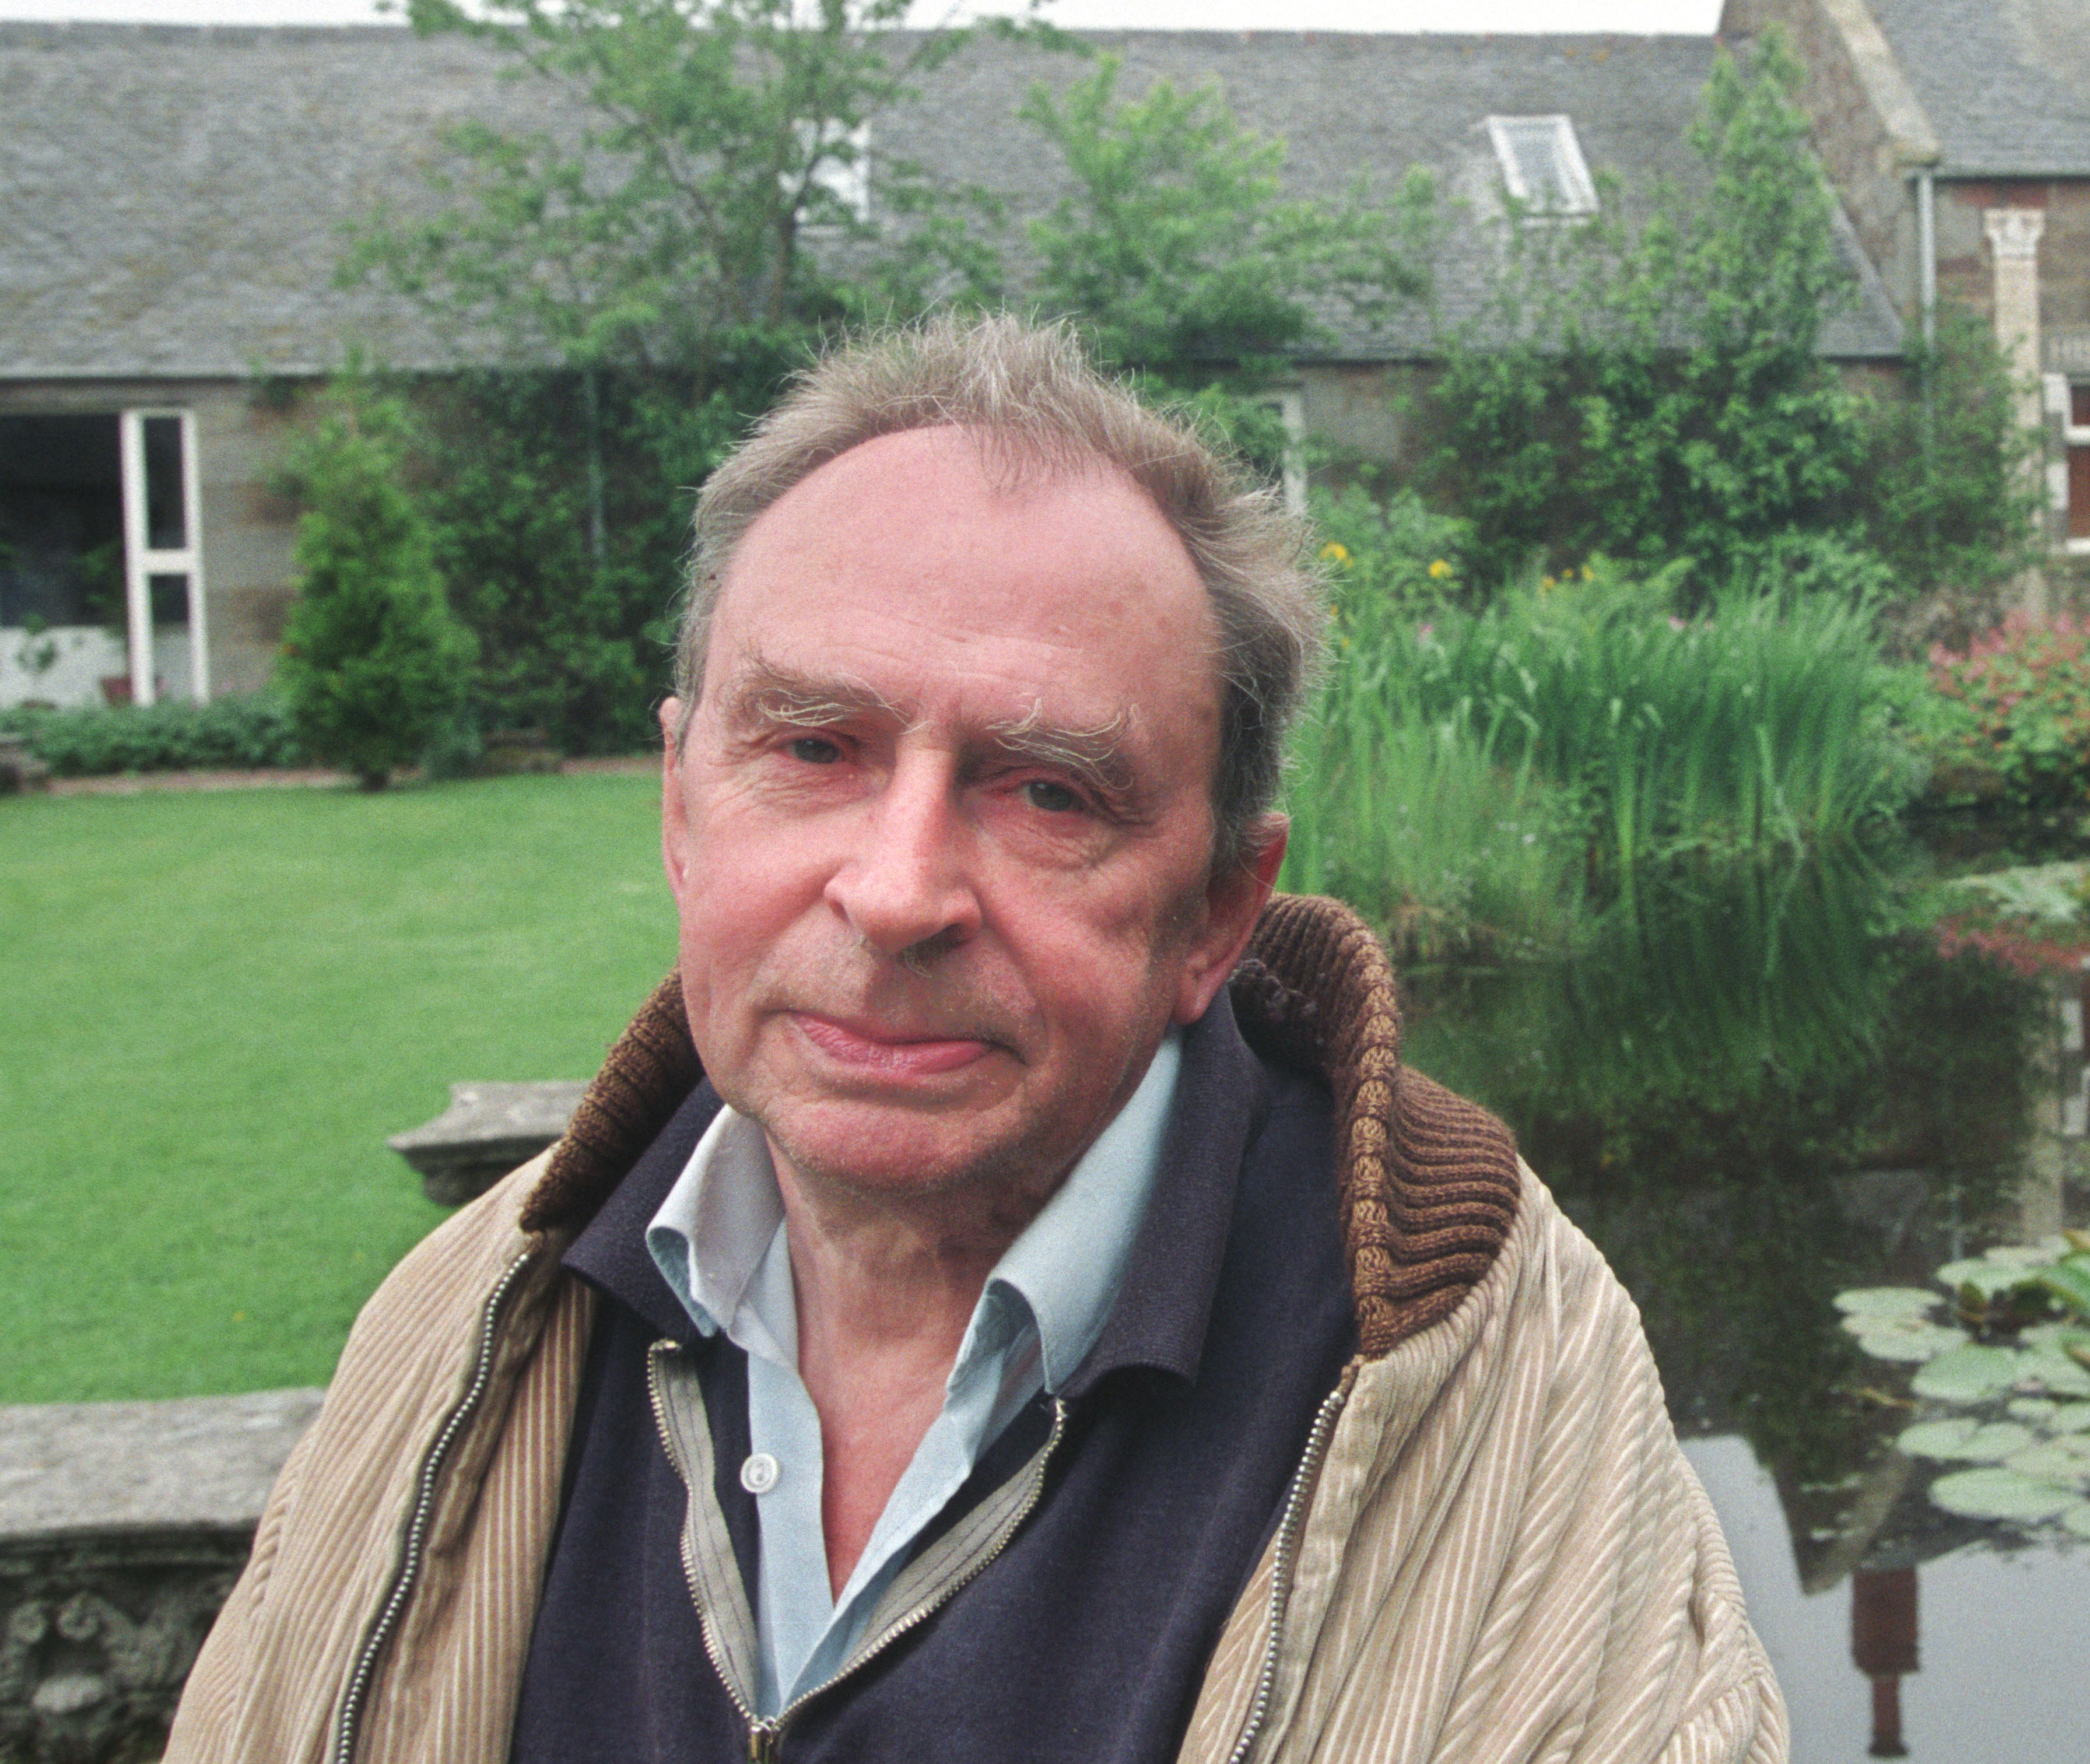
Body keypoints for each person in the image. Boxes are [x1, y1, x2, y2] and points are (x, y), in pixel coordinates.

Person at [169, 317, 1784, 1763]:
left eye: (1048, 789)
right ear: (679, 807)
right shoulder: (463, 1327)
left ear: (1217, 912)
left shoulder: (1492, 1384)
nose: (895, 891)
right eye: (813, 746)